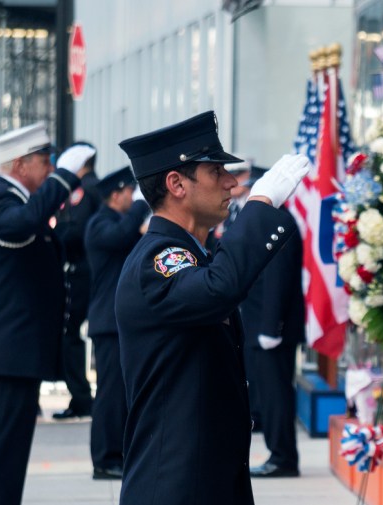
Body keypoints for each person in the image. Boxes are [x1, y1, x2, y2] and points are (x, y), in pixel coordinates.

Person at [115, 111, 310, 505]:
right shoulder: (158, 260)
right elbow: (219, 289)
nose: (231, 181)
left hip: (206, 479)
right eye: (215, 171)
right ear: (176, 184)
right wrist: (260, 205)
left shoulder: (191, 254)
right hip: (174, 484)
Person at [0, 124, 93, 505]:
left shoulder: (15, 201)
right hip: (5, 355)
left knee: (8, 458)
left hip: (15, 355)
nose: (50, 169)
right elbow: (25, 224)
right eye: (45, 162)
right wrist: (67, 177)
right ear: (21, 165)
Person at [84, 166, 150, 480]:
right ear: (116, 194)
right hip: (107, 323)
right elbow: (123, 234)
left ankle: (118, 454)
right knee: (109, 394)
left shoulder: (118, 223)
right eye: (128, 193)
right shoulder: (99, 224)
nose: (132, 199)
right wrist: (141, 204)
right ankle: (105, 458)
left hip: (119, 322)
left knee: (122, 393)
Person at [241, 166, 305, 478]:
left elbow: (277, 281)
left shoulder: (279, 223)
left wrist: (271, 328)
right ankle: (277, 453)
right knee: (267, 396)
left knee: (276, 396)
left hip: (271, 330)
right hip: (259, 327)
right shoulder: (269, 222)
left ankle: (283, 458)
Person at [53, 141, 99, 420]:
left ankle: (82, 397)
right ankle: (81, 396)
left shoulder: (88, 190)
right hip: (84, 270)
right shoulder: (91, 189)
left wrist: (55, 235)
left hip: (83, 271)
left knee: (71, 333)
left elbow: (78, 231)